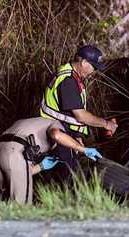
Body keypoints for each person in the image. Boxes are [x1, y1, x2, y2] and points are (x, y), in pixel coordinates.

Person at [38, 44, 118, 177]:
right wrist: (106, 124)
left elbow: (66, 112)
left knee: (67, 175)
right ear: (84, 62)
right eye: (93, 67)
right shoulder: (69, 81)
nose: (94, 71)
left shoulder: (70, 74)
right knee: (69, 178)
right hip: (58, 134)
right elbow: (80, 116)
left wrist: (77, 136)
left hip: (62, 130)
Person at [0, 116, 100, 204]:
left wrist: (40, 167)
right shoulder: (55, 124)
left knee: (5, 200)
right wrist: (83, 149)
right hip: (13, 152)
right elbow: (56, 135)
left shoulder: (32, 123)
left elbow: (18, 172)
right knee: (21, 209)